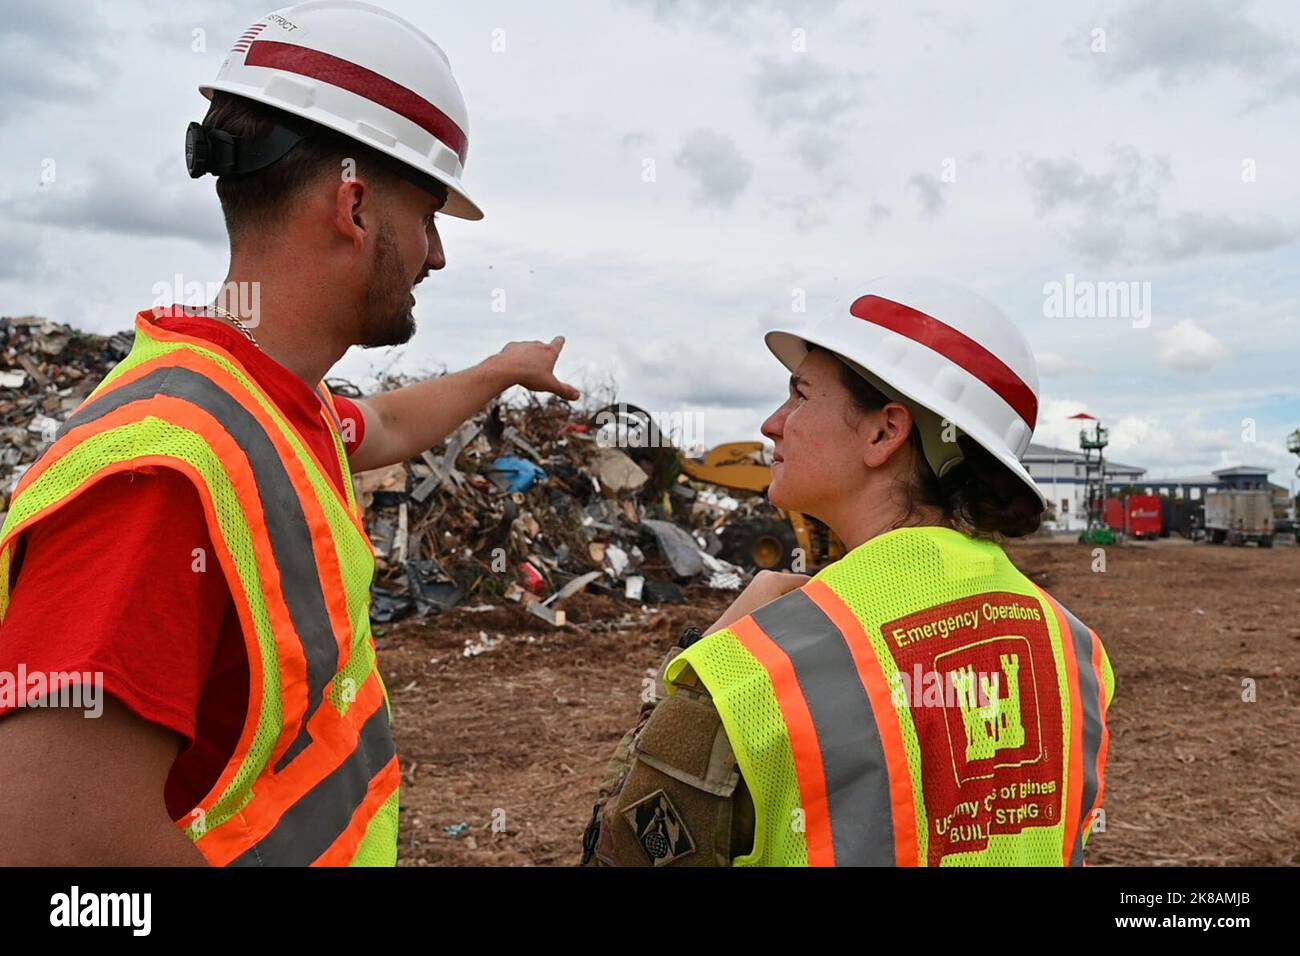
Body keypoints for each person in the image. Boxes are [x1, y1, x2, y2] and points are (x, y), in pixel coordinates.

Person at [0, 0, 578, 866]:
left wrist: (500, 370)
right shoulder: (160, 475)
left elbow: (381, 423)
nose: (436, 255)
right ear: (354, 205)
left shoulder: (270, 402)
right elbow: (54, 848)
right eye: (427, 216)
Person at [582, 276, 1114, 867]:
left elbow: (620, 853)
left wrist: (708, 652)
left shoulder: (757, 662)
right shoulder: (1077, 651)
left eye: (800, 395)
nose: (772, 424)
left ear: (885, 431)